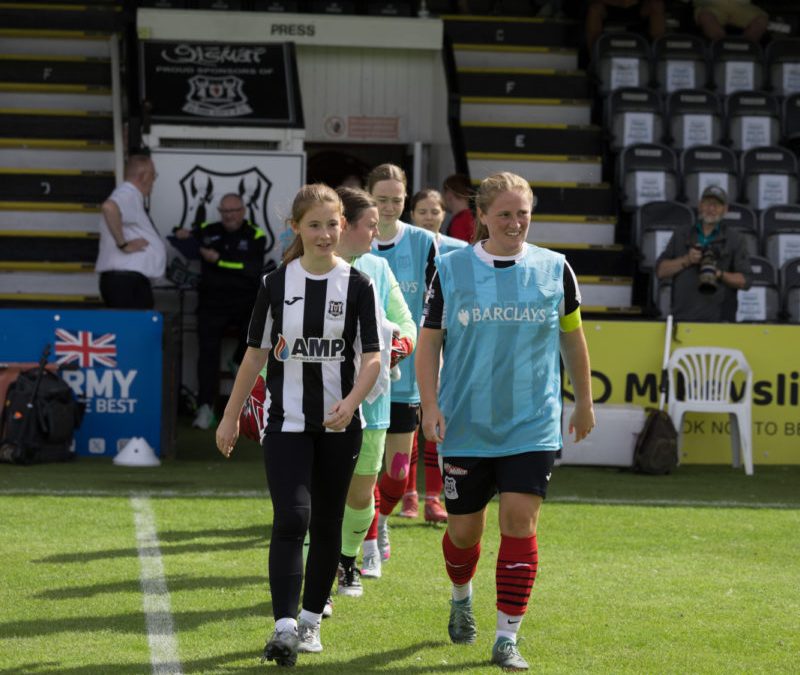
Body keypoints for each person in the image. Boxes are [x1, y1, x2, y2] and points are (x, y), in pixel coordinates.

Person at [416, 172, 595, 671]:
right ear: (483, 217)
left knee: (520, 521)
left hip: (531, 424)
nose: (515, 223)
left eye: (523, 213)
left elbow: (572, 339)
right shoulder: (450, 269)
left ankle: (506, 637)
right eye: (505, 214)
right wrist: (429, 406)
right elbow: (428, 343)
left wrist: (583, 401)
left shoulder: (555, 269)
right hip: (466, 425)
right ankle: (460, 596)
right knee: (464, 534)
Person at [215, 184, 381, 667]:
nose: (325, 233)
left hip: (340, 425)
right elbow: (254, 354)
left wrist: (351, 402)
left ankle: (310, 623)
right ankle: (284, 625)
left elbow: (372, 356)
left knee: (327, 521)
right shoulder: (274, 284)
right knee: (292, 517)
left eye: (333, 224)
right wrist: (230, 415)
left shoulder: (358, 285)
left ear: (343, 226)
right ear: (296, 228)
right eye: (315, 225)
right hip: (284, 422)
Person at [334, 186, 416, 596]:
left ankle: (347, 561)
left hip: (373, 402)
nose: (376, 233)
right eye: (371, 225)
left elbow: (407, 324)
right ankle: (319, 575)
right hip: (322, 400)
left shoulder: (379, 271)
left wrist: (398, 348)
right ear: (345, 224)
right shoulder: (305, 269)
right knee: (321, 490)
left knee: (362, 490)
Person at [361, 163, 438, 579]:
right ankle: (367, 543)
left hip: (405, 377)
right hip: (359, 378)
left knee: (396, 473)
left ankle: (382, 521)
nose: (389, 207)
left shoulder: (426, 243)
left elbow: (436, 301)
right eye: (381, 199)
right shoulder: (355, 242)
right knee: (364, 469)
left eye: (396, 199)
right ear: (368, 196)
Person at [398, 188, 468, 523]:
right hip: (411, 344)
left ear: (444, 214)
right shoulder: (406, 245)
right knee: (410, 423)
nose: (428, 216)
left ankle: (433, 498)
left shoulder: (459, 251)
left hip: (448, 344)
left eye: (434, 210)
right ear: (412, 215)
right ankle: (409, 494)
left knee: (436, 419)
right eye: (422, 211)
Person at [175, 193, 266, 429]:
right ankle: (205, 408)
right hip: (211, 303)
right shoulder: (207, 229)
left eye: (234, 211)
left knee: (261, 330)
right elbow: (182, 239)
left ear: (243, 211)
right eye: (225, 211)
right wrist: (181, 234)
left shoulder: (256, 235)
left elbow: (250, 269)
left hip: (244, 302)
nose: (229, 216)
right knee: (207, 352)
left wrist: (218, 260)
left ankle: (238, 361)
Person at [655, 185, 752, 322]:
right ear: (700, 206)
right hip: (683, 318)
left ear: (725, 210)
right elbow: (661, 271)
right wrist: (687, 260)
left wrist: (718, 273)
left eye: (717, 205)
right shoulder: (681, 234)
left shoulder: (735, 239)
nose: (711, 208)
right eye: (707, 203)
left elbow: (745, 281)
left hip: (721, 321)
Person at [95, 154, 166, 309]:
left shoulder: (130, 195)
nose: (154, 181)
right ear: (144, 176)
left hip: (127, 280)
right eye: (154, 175)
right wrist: (124, 245)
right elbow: (109, 207)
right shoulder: (128, 193)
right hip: (125, 281)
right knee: (133, 331)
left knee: (134, 329)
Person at [586, 0, 666, 52]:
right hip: (609, 7)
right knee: (594, 9)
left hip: (637, 7)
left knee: (657, 5)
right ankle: (594, 58)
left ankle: (659, 55)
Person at [693, 0, 768, 43]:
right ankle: (722, 47)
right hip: (712, 7)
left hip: (741, 7)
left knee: (761, 19)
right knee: (706, 17)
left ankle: (746, 48)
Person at [442, 174, 475, 243]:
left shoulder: (459, 221)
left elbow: (459, 251)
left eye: (444, 192)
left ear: (449, 194)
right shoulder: (474, 216)